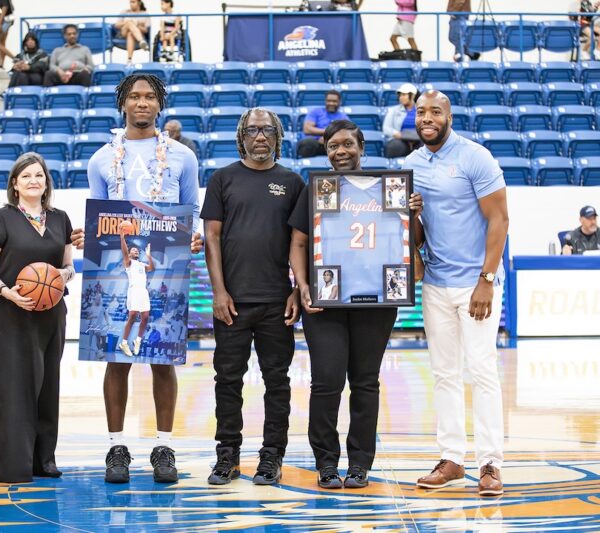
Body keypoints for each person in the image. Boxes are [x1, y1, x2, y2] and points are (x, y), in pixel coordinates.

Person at [71, 73, 201, 485]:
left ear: (160, 105)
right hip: (118, 268)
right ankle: (116, 448)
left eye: (149, 97)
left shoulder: (183, 157)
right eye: (134, 96)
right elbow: (99, 216)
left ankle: (164, 446)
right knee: (117, 358)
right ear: (122, 103)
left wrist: (190, 238)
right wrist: (85, 236)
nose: (142, 103)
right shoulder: (100, 159)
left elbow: (189, 211)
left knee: (163, 359)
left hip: (167, 266)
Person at [288, 119, 423, 490]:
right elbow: (298, 244)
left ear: (361, 147)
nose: (340, 151)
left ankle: (360, 464)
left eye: (348, 144)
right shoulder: (319, 188)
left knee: (365, 383)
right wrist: (302, 285)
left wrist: (413, 212)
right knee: (326, 383)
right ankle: (327, 464)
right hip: (326, 301)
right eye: (333, 146)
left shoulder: (391, 190)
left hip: (376, 301)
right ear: (326, 151)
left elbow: (410, 240)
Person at [404, 90, 509, 497]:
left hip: (474, 283)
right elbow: (415, 235)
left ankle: (490, 463)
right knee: (444, 374)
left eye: (435, 112)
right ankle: (452, 458)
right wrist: (411, 213)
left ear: (449, 116)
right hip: (436, 283)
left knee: (482, 371)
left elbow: (499, 218)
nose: (427, 118)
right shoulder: (412, 163)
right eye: (421, 112)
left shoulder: (474, 157)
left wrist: (486, 278)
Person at [202, 108, 303, 486]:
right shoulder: (222, 179)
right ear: (241, 136)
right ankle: (226, 455)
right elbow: (211, 237)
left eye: (267, 130)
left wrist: (296, 289)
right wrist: (219, 291)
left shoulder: (293, 182)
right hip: (232, 303)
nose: (260, 136)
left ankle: (271, 455)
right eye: (252, 130)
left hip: (277, 303)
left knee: (277, 382)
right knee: (228, 380)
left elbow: (301, 244)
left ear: (278, 136)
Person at [0, 152, 75, 483]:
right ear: (14, 184)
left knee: (48, 386)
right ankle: (12, 464)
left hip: (50, 314)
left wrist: (62, 275)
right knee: (15, 388)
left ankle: (43, 458)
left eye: (39, 175)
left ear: (46, 182)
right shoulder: (1, 219)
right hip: (9, 314)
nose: (34, 180)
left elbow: (68, 267)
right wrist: (8, 292)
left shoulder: (60, 218)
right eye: (26, 176)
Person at [118, 237, 155, 357]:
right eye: (133, 250)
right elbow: (124, 251)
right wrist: (122, 238)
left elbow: (151, 268)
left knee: (145, 318)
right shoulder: (128, 262)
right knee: (133, 315)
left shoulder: (142, 264)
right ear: (129, 254)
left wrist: (149, 255)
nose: (136, 251)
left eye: (137, 251)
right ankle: (124, 343)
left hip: (143, 291)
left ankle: (137, 341)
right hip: (134, 290)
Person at [297, 90, 349, 158]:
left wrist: (329, 139)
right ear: (325, 101)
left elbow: (347, 133)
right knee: (308, 143)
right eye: (329, 101)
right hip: (316, 143)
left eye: (334, 101)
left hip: (334, 145)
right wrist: (328, 132)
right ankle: (307, 167)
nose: (331, 103)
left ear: (339, 102)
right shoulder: (315, 112)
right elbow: (307, 129)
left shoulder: (343, 117)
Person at [383, 83, 419, 158]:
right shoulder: (393, 110)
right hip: (400, 140)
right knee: (394, 146)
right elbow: (386, 128)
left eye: (404, 95)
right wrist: (400, 135)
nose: (401, 97)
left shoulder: (421, 110)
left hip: (418, 140)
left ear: (412, 96)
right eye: (400, 95)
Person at [0, 0, 15, 69]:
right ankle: (1, 64)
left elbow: (5, 8)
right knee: (2, 44)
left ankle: (14, 58)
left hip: (4, 22)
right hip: (8, 20)